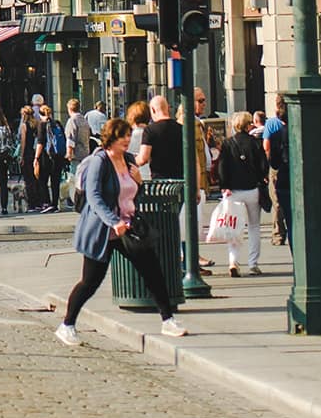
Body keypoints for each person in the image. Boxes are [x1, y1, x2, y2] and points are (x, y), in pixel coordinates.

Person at [57, 118, 188, 345]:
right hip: (102, 231)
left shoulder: (128, 161)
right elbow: (94, 197)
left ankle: (168, 320)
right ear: (111, 138)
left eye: (128, 135)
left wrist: (139, 182)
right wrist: (112, 220)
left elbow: (133, 193)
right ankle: (67, 324)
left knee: (153, 272)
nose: (127, 140)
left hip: (128, 228)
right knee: (90, 282)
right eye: (122, 136)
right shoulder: (100, 161)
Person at [215, 109, 267, 276]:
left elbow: (222, 167)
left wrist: (224, 185)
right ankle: (253, 263)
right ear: (247, 124)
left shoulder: (228, 144)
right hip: (252, 189)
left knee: (234, 227)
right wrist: (261, 177)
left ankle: (233, 261)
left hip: (233, 191)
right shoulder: (255, 143)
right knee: (254, 226)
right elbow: (263, 166)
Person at [264, 98, 290, 248]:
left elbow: (266, 147)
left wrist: (270, 167)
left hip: (278, 169)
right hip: (288, 167)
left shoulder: (272, 125)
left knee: (277, 202)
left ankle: (278, 234)